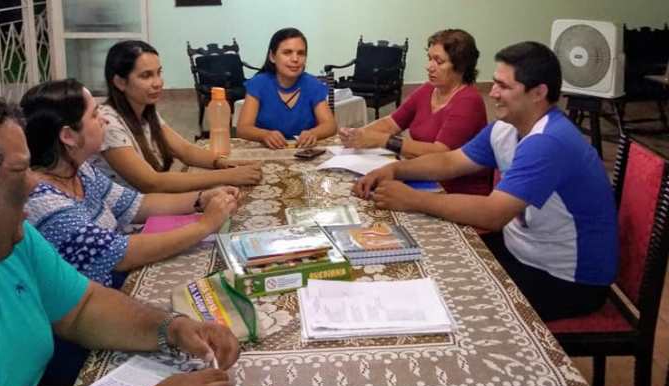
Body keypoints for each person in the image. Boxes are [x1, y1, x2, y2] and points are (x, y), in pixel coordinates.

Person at [0, 90, 240, 386]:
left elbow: (83, 307)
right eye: (20, 171)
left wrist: (172, 328)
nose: (35, 182)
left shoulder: (10, 241)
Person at [353, 42, 618, 321]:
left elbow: (493, 214)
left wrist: (413, 199)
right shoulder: (506, 128)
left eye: (504, 86)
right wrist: (395, 170)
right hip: (522, 251)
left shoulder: (548, 142)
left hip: (567, 280)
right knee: (429, 264)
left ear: (538, 93)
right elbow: (450, 161)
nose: (492, 93)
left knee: (447, 303)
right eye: (494, 83)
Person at [22, 79, 239, 289]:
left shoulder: (80, 170)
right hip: (99, 301)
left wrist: (201, 199)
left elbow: (135, 204)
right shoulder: (43, 202)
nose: (104, 120)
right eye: (94, 115)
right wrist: (204, 225)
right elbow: (119, 254)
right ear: (68, 136)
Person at [93, 40, 262, 194]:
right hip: (132, 217)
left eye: (159, 73)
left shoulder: (145, 111)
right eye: (146, 76)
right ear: (120, 82)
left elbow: (185, 150)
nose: (158, 82)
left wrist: (221, 162)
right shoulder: (108, 123)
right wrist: (227, 176)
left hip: (152, 203)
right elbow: (152, 183)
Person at [340, 29, 491, 195]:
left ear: (460, 67)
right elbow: (391, 123)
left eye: (438, 61)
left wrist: (383, 140)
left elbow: (440, 153)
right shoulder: (427, 90)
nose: (429, 67)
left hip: (457, 191)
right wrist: (358, 134)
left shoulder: (469, 101)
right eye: (429, 59)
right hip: (423, 176)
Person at [236, 27, 337, 149]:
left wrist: (313, 133)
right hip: (267, 152)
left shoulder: (312, 84)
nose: (295, 59)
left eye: (301, 53)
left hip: (303, 152)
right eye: (287, 52)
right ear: (272, 57)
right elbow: (243, 128)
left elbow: (330, 125)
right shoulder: (259, 83)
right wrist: (264, 135)